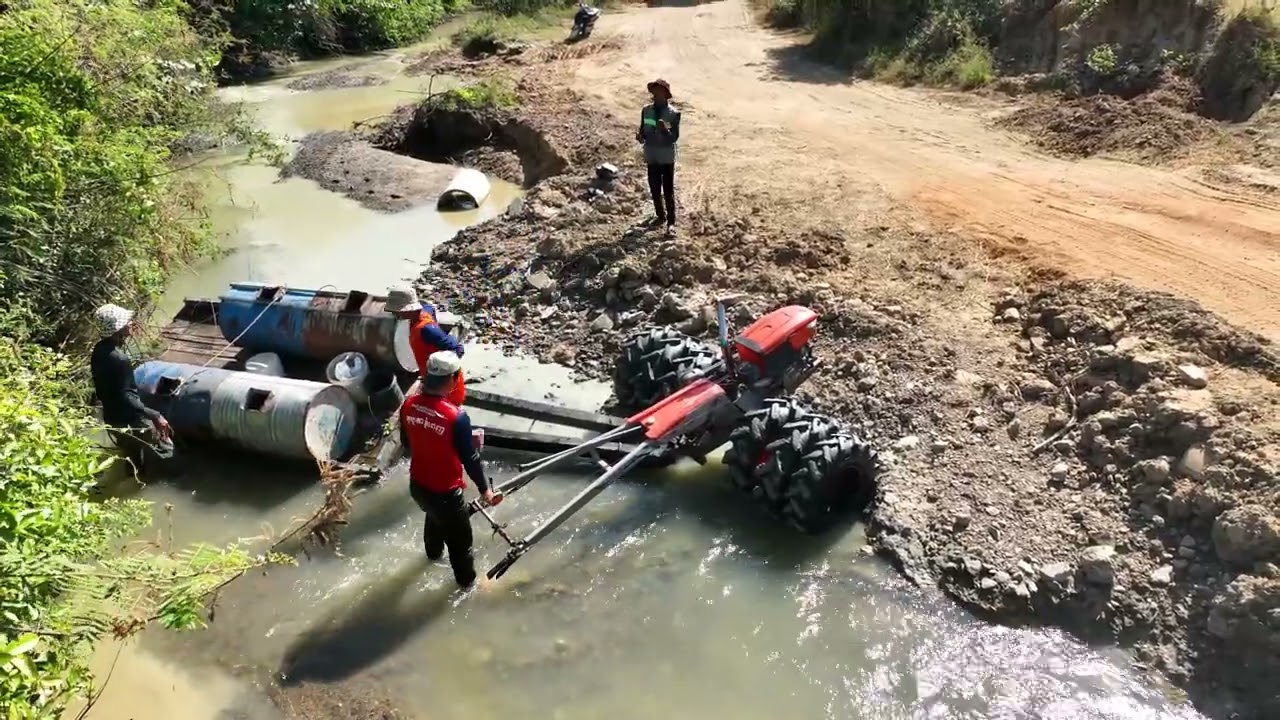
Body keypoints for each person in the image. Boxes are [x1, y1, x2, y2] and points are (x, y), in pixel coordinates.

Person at [399, 351, 501, 587]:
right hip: (445, 493)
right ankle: (467, 589)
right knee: (462, 548)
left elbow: (407, 443)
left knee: (434, 517)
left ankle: (432, 557)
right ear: (452, 379)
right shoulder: (456, 417)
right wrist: (485, 490)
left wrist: (435, 442)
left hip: (419, 486)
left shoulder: (408, 404)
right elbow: (470, 459)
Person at [89, 303, 172, 474]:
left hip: (112, 418)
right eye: (126, 322)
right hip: (130, 420)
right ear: (117, 329)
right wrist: (155, 415)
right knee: (166, 450)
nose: (131, 323)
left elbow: (109, 390)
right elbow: (126, 396)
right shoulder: (119, 359)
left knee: (132, 459)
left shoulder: (99, 350)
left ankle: (134, 477)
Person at [385, 285, 466, 406]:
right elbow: (429, 307)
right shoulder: (424, 311)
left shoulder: (427, 329)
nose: (394, 314)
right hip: (430, 378)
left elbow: (457, 349)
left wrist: (440, 374)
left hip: (444, 384)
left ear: (407, 310)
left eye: (396, 312)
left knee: (446, 411)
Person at [636, 78, 681, 235]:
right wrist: (640, 137)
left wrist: (665, 130)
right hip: (652, 155)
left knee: (668, 190)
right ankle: (660, 216)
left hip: (666, 156)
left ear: (665, 94)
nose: (655, 93)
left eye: (658, 90)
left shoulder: (674, 114)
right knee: (654, 188)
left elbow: (674, 138)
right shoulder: (646, 110)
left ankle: (671, 223)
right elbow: (643, 131)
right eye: (654, 90)